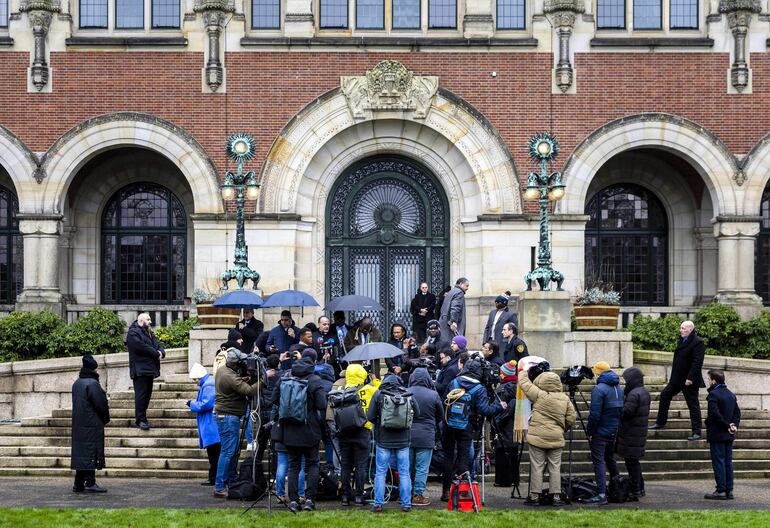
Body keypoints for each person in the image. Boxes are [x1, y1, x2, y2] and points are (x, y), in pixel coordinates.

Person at [441, 356, 505, 502]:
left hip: (449, 423)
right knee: (464, 456)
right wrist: (499, 406)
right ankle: (462, 491)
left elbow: (445, 399)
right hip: (466, 426)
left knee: (448, 457)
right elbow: (484, 409)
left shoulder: (454, 382)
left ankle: (446, 491)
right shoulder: (479, 388)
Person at [272, 356, 328, 512]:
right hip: (310, 428)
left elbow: (274, 399)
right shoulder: (315, 380)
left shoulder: (285, 378)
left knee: (293, 465)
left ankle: (294, 501)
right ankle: (310, 499)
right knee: (312, 464)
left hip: (289, 429)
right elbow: (322, 404)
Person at [517, 361, 576, 506]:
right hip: (556, 437)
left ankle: (535, 496)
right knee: (555, 467)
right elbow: (571, 418)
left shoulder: (538, 395)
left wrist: (524, 369)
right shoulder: (564, 399)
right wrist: (563, 429)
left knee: (537, 466)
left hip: (537, 437)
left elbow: (523, 382)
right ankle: (556, 496)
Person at [367, 373, 421, 513]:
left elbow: (370, 416)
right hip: (403, 440)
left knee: (380, 472)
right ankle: (406, 504)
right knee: (404, 473)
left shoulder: (379, 394)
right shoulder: (407, 394)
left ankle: (378, 504)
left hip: (383, 440)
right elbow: (418, 413)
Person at [213, 348, 260, 498]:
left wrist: (244, 378)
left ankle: (231, 480)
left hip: (227, 415)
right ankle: (219, 487)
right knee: (228, 452)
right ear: (236, 364)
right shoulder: (230, 376)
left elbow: (237, 382)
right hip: (227, 417)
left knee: (230, 451)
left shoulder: (223, 370)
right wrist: (263, 381)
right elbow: (249, 391)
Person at [650, 320, 706, 441]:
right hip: (677, 379)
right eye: (681, 328)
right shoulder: (682, 339)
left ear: (690, 329)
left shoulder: (698, 342)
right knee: (664, 395)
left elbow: (697, 362)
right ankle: (660, 422)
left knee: (693, 405)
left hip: (688, 380)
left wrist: (690, 378)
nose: (681, 330)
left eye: (683, 328)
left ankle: (696, 432)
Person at [337, 363, 380, 506]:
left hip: (344, 431)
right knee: (361, 465)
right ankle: (359, 496)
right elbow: (381, 391)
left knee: (346, 465)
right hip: (363, 430)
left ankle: (344, 496)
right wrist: (374, 380)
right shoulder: (369, 389)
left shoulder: (341, 390)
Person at [583, 361, 624, 505]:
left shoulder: (599, 389)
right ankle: (618, 487)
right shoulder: (619, 388)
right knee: (610, 459)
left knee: (599, 461)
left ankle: (601, 493)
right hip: (613, 430)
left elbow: (594, 415)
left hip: (600, 431)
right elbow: (621, 411)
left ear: (598, 373)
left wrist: (590, 432)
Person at [71, 354, 110, 493]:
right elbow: (101, 405)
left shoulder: (77, 383)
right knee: (90, 452)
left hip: (79, 424)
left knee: (82, 453)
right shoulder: (92, 384)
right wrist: (105, 419)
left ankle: (79, 482)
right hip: (91, 424)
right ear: (94, 368)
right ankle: (90, 482)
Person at [407, 367, 443, 506]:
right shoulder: (433, 395)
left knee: (407, 467)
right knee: (422, 467)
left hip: (408, 435)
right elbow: (440, 416)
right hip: (426, 435)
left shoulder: (406, 392)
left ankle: (405, 494)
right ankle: (418, 495)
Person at [704, 369, 741, 500]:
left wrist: (726, 426)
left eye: (709, 379)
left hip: (717, 433)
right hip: (729, 433)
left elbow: (714, 414)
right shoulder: (731, 394)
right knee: (728, 462)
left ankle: (720, 490)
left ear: (713, 380)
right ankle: (729, 491)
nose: (708, 382)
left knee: (718, 462)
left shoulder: (713, 395)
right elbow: (737, 413)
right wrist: (733, 426)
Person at [615, 366, 651, 500]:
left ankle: (636, 489)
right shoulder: (643, 392)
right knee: (634, 462)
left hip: (631, 433)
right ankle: (640, 488)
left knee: (631, 463)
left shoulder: (633, 394)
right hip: (638, 432)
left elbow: (627, 412)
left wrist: (619, 407)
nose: (625, 382)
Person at [126, 313, 165, 431]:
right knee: (141, 396)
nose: (150, 322)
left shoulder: (149, 332)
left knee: (147, 396)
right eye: (148, 319)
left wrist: (161, 352)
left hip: (149, 369)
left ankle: (144, 419)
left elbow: (158, 345)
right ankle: (140, 420)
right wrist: (156, 353)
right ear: (141, 320)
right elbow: (141, 347)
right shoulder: (133, 333)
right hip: (139, 370)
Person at [186, 362, 221, 486]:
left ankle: (214, 478)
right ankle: (214, 477)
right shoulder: (208, 383)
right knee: (214, 453)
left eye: (195, 379)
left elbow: (206, 404)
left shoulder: (208, 385)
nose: (195, 381)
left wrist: (192, 404)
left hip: (211, 424)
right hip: (211, 423)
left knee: (213, 453)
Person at [492, 360, 519, 491]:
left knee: (502, 453)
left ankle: (503, 480)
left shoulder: (503, 389)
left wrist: (495, 422)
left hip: (504, 426)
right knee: (513, 453)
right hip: (516, 424)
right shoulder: (518, 386)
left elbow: (500, 409)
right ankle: (514, 478)